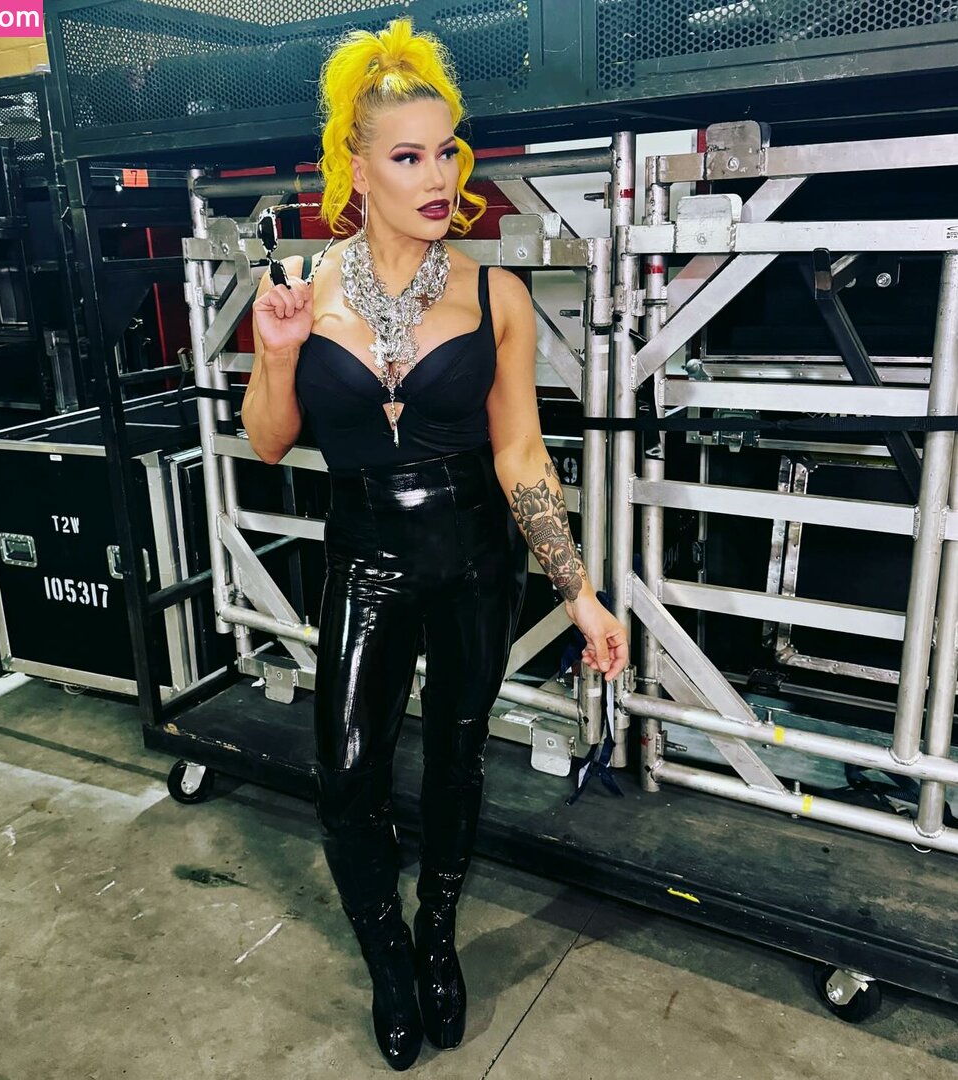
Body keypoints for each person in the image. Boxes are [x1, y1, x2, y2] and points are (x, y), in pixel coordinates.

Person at [241, 16, 628, 1071]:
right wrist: (276, 354)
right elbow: (268, 443)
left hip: (474, 565)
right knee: (346, 774)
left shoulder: (496, 294)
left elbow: (522, 456)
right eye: (407, 156)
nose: (437, 174)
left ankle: (437, 933)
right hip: (363, 557)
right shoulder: (303, 291)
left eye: (446, 150)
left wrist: (579, 592)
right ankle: (386, 960)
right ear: (356, 166)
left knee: (457, 762)